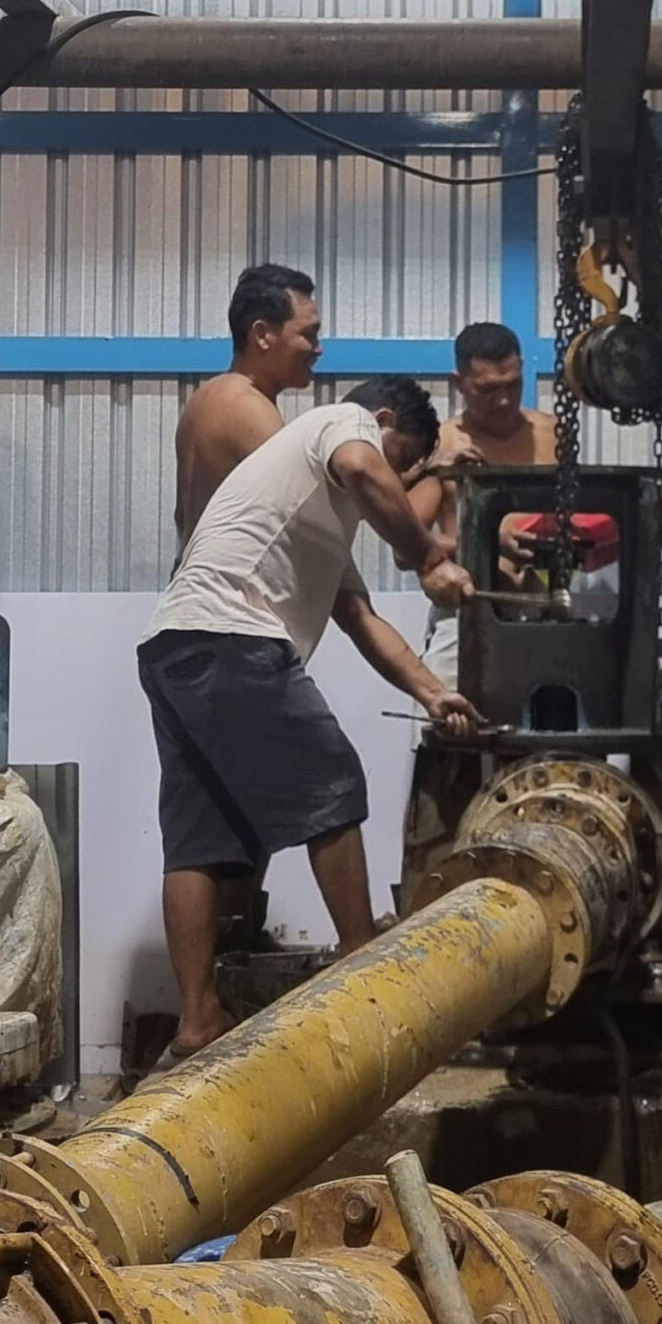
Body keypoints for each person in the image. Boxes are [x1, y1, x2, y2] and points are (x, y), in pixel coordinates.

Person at [140, 380, 483, 1058]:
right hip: (233, 640)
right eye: (402, 457)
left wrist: (431, 693)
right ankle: (359, 956)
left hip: (173, 644)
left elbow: (360, 621)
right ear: (381, 420)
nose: (399, 476)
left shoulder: (311, 513)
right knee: (334, 779)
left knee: (201, 841)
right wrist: (427, 558)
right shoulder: (340, 423)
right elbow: (363, 465)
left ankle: (199, 1020)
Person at [409, 320, 559, 685]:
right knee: (448, 730)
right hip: (465, 615)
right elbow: (407, 542)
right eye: (487, 390)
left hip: (546, 614)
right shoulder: (441, 446)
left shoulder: (554, 434)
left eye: (513, 385)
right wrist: (489, 544)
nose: (504, 400)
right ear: (458, 383)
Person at [175, 262, 324, 540]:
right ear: (262, 335)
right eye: (308, 334)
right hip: (230, 581)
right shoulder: (247, 407)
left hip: (195, 574)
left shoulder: (206, 397)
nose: (318, 348)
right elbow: (306, 515)